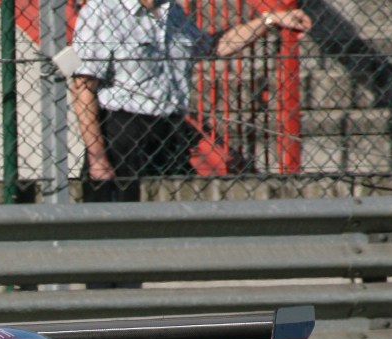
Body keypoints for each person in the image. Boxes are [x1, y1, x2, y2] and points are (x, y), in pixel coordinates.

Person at [70, 0, 312, 202]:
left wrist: (268, 20)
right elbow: (83, 88)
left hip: (171, 132)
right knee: (118, 225)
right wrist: (98, 157)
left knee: (173, 224)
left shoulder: (172, 11)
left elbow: (214, 46)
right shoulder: (103, 11)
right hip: (123, 135)